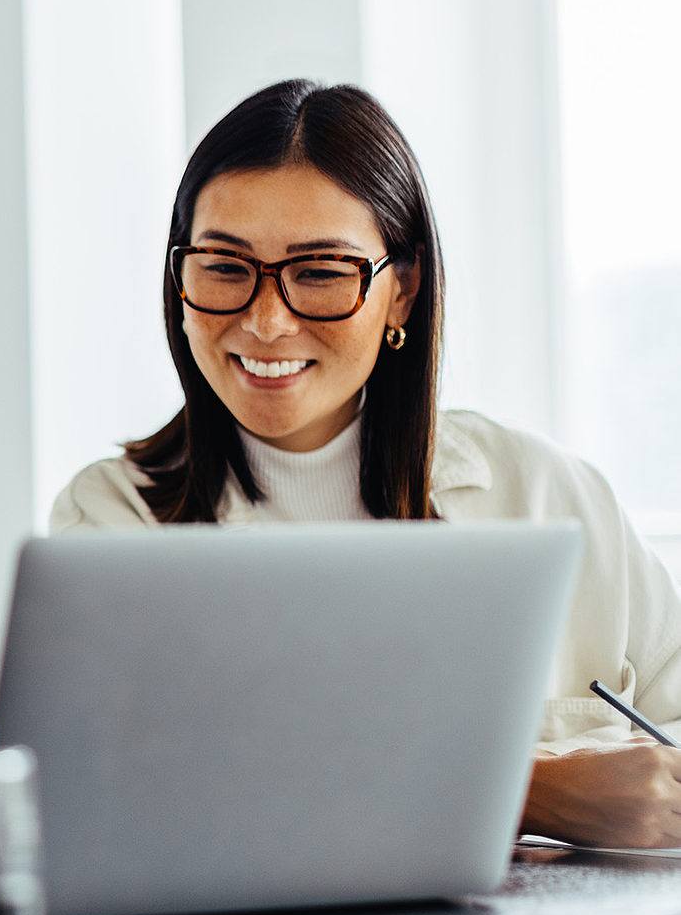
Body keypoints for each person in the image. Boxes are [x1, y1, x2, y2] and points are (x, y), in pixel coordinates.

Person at [52, 78, 681, 850]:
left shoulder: (552, 495)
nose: (266, 320)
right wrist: (525, 791)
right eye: (224, 266)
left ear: (403, 292)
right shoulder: (110, 521)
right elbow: (131, 799)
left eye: (320, 273)